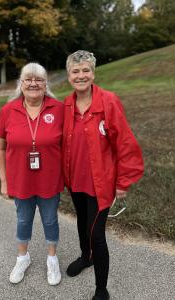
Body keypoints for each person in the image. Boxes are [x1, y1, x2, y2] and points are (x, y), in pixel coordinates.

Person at [62, 50, 144, 300]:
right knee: (81, 222)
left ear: (93, 73)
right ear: (68, 76)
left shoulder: (108, 101)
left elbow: (126, 144)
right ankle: (85, 258)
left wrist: (124, 181)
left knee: (96, 233)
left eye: (86, 70)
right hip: (75, 179)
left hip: (101, 182)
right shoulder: (67, 104)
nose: (81, 75)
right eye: (75, 71)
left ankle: (101, 287)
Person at [0, 62, 64, 286]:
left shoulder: (59, 109)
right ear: (20, 83)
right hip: (21, 180)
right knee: (23, 219)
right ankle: (23, 257)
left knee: (50, 220)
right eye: (28, 79)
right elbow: (0, 147)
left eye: (39, 79)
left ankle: (52, 259)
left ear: (46, 84)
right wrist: (4, 181)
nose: (33, 83)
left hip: (50, 180)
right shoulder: (8, 110)